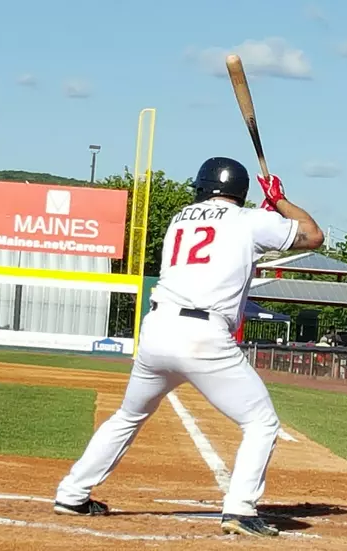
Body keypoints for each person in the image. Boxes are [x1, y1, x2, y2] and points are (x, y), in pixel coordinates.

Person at [52, 157, 324, 537]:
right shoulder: (249, 220)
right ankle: (241, 509)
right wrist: (280, 201)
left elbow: (228, 242)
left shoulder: (181, 218)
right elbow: (312, 235)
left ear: (201, 187)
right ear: (239, 191)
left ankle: (72, 493)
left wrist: (266, 216)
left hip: (158, 329)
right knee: (261, 422)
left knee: (128, 415)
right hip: (203, 336)